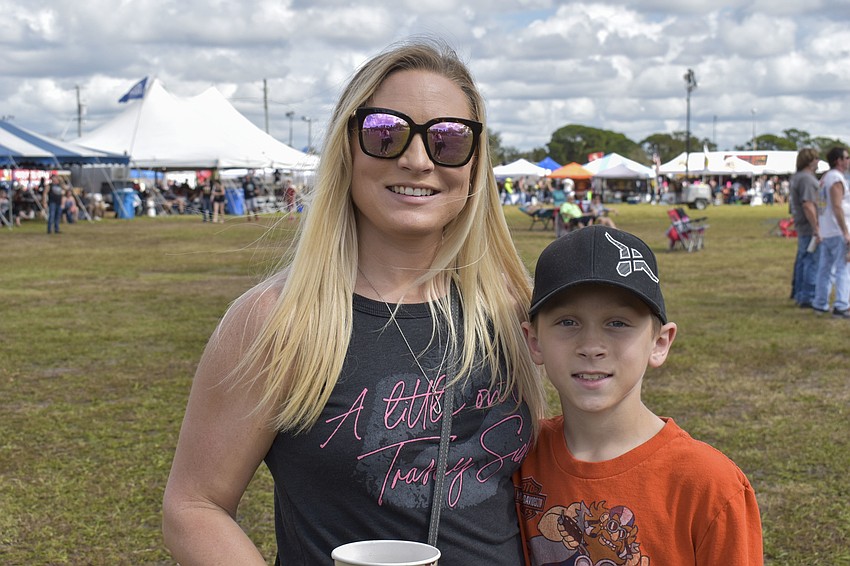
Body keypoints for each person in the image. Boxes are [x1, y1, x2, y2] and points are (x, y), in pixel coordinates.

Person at [162, 37, 547, 566]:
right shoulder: (277, 321)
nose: (417, 160)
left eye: (449, 140)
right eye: (385, 134)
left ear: (477, 164)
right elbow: (194, 505)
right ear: (347, 147)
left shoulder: (512, 310)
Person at [515, 225, 764, 565]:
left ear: (660, 343)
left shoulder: (710, 486)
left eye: (617, 323)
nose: (591, 347)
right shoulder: (516, 456)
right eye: (567, 322)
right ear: (534, 341)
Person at [812, 146, 850, 318]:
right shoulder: (835, 178)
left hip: (828, 229)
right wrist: (845, 231)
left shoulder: (825, 177)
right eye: (846, 158)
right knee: (843, 268)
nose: (848, 161)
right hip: (837, 230)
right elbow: (836, 205)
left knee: (825, 268)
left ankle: (820, 303)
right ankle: (841, 305)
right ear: (838, 160)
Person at [788, 148, 821, 308]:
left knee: (802, 259)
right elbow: (808, 204)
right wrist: (816, 227)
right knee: (811, 260)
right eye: (816, 158)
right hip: (809, 224)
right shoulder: (807, 179)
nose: (818, 162)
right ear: (810, 161)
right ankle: (808, 296)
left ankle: (799, 291)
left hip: (801, 223)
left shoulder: (797, 177)